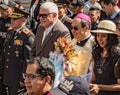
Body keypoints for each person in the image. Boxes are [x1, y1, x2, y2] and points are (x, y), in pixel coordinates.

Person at [2, 7, 35, 95]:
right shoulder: (10, 31)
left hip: (17, 77)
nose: (12, 21)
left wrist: (23, 78)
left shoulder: (27, 36)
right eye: (12, 18)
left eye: (15, 19)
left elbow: (28, 60)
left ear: (23, 20)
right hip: (7, 75)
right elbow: (5, 53)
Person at [90, 20, 120, 95]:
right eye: (98, 35)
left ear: (111, 38)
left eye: (103, 36)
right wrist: (90, 85)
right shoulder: (96, 53)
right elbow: (93, 78)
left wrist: (99, 87)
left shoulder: (118, 55)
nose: (99, 39)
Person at [65, 13, 94, 82]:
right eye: (71, 28)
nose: (72, 31)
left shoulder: (94, 44)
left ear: (86, 28)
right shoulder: (73, 41)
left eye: (76, 28)